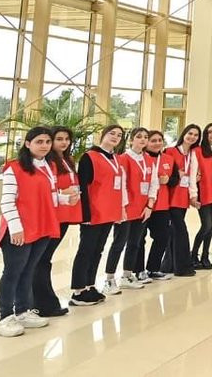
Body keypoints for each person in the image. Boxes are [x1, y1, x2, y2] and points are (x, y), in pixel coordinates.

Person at [0, 127, 69, 337]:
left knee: (28, 270)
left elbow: (49, 197)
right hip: (20, 229)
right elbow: (7, 201)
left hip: (42, 227)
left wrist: (65, 199)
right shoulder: (14, 168)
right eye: (39, 142)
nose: (44, 146)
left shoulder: (49, 166)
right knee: (13, 272)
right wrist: (16, 229)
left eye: (47, 142)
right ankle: (5, 317)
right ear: (28, 144)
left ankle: (23, 311)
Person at [69, 125, 126, 307]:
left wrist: (119, 210)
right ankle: (78, 290)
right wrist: (84, 214)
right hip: (93, 212)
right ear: (103, 135)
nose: (115, 137)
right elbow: (83, 186)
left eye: (119, 135)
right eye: (112, 133)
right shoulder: (90, 157)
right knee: (86, 250)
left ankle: (90, 285)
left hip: (108, 212)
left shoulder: (115, 158)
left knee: (97, 250)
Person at [31, 126, 81, 317]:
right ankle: (41, 303)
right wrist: (61, 192)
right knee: (42, 259)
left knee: (45, 259)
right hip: (52, 215)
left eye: (67, 139)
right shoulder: (48, 162)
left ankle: (45, 301)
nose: (64, 142)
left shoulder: (67, 160)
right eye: (59, 139)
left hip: (65, 213)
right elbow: (45, 188)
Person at [104, 128, 155, 294]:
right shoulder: (123, 159)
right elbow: (121, 185)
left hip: (142, 208)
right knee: (119, 243)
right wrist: (121, 207)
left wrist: (150, 205)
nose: (143, 140)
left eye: (146, 137)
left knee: (135, 243)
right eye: (139, 137)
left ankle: (127, 275)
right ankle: (109, 279)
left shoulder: (148, 159)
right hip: (126, 208)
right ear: (131, 140)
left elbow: (154, 183)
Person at [164, 125, 198, 277]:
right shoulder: (170, 151)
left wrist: (193, 195)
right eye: (190, 133)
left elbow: (193, 177)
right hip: (171, 197)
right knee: (180, 231)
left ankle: (168, 265)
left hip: (183, 197)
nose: (192, 137)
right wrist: (176, 174)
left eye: (196, 135)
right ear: (184, 134)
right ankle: (183, 267)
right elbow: (164, 172)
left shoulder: (193, 154)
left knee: (174, 232)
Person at [191, 123, 212, 269]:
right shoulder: (197, 151)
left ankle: (205, 255)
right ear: (205, 134)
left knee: (210, 225)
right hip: (204, 191)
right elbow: (193, 173)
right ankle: (193, 255)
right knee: (207, 225)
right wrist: (193, 193)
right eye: (210, 132)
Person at [142, 130, 173, 281]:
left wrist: (169, 180)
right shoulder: (141, 158)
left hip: (161, 205)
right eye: (153, 140)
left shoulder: (168, 159)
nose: (157, 143)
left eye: (160, 140)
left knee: (162, 237)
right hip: (142, 205)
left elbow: (175, 180)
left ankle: (153, 268)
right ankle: (137, 271)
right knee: (139, 240)